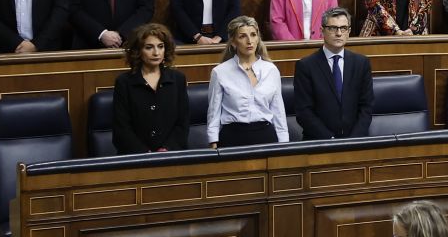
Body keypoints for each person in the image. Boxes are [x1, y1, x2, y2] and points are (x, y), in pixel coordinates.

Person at [290, 8, 375, 140]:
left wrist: (354, 140)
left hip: (356, 142)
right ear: (322, 30)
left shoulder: (361, 63)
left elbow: (366, 107)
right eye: (333, 28)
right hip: (319, 143)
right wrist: (330, 140)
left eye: (343, 28)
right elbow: (304, 112)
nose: (339, 33)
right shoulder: (306, 66)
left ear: (349, 31)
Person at [204, 17, 287, 148]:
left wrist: (284, 143)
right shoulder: (220, 72)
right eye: (243, 36)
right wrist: (213, 143)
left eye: (253, 35)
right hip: (233, 137)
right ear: (233, 42)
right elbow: (213, 112)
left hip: (266, 136)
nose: (249, 41)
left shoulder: (271, 70)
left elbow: (278, 111)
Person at [111, 23, 190, 154]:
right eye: (149, 47)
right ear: (138, 51)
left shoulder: (177, 79)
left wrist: (166, 150)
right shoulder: (124, 82)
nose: (156, 53)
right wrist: (145, 153)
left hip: (171, 156)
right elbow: (121, 128)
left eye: (160, 46)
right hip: (135, 158)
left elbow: (182, 123)